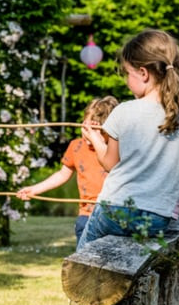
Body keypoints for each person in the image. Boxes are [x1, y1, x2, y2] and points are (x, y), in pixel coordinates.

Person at [78, 29, 179, 250]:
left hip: (115, 209)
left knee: (84, 257)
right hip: (157, 218)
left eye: (127, 74)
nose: (126, 81)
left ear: (143, 73)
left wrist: (95, 138)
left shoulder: (124, 111)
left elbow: (110, 164)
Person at [17, 96, 119, 243]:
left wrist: (101, 144)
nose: (89, 135)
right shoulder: (76, 146)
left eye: (97, 131)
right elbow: (62, 174)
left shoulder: (116, 149)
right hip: (87, 216)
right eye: (86, 128)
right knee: (84, 261)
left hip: (113, 215)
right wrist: (35, 189)